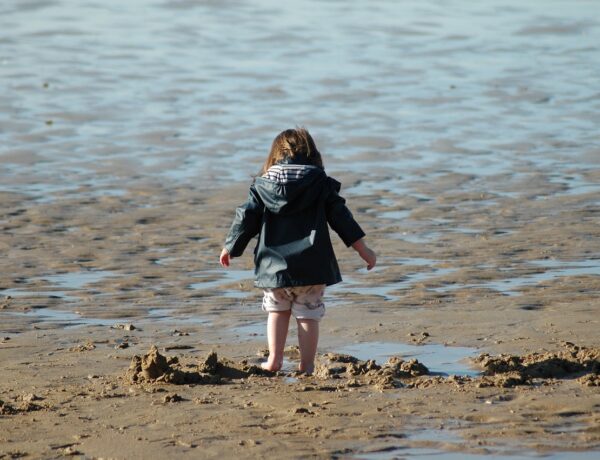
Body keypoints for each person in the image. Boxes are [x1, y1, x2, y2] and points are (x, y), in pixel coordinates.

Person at [219, 128, 376, 374]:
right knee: (308, 315)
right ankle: (307, 365)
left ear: (274, 155)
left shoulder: (262, 185)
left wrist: (231, 246)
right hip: (311, 268)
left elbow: (246, 218)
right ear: (313, 155)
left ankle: (274, 361)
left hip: (274, 268)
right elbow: (341, 218)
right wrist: (363, 249)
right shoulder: (320, 184)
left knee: (277, 312)